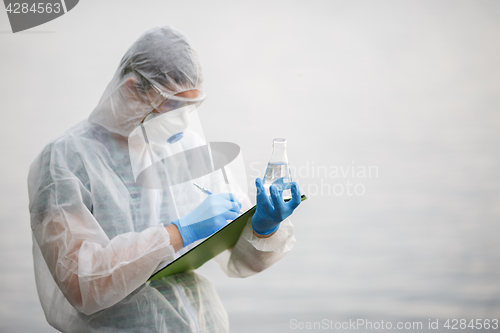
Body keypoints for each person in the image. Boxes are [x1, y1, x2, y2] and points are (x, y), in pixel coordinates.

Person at [28, 26, 302, 332]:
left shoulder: (187, 149)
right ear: (132, 88)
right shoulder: (65, 159)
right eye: (174, 105)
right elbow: (81, 283)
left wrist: (263, 228)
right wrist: (176, 234)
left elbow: (240, 261)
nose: (184, 120)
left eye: (191, 107)